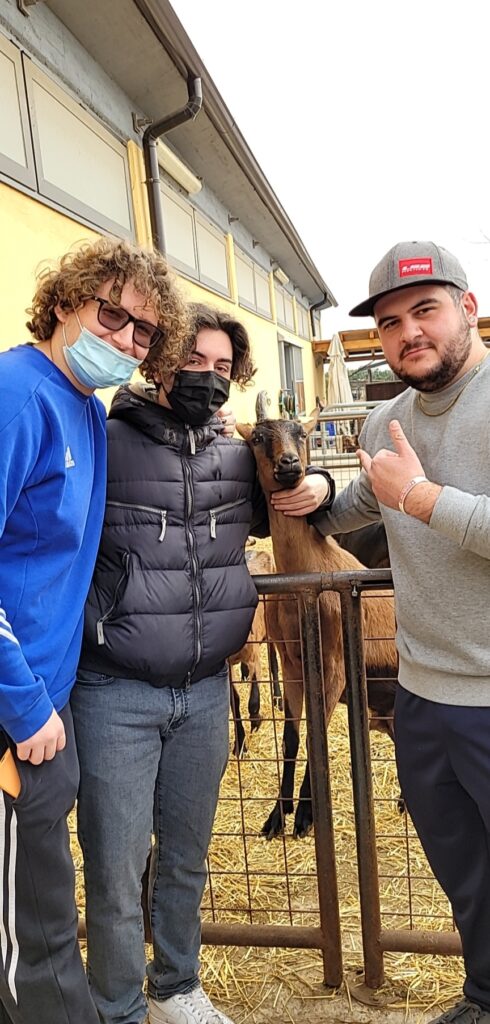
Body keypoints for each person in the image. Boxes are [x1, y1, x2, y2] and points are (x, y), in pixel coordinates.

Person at [72, 302, 333, 1024]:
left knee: (186, 856)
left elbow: (299, 502)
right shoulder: (102, 438)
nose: (209, 380)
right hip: (114, 691)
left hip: (206, 692)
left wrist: (325, 489)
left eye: (223, 368)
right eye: (194, 362)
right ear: (159, 359)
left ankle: (178, 987)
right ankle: (118, 1005)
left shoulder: (233, 454)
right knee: (118, 867)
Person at [274, 240, 490, 1024]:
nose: (409, 333)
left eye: (425, 310)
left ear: (468, 308)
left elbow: (409, 495)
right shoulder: (388, 417)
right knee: (464, 873)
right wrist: (319, 486)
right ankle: (482, 997)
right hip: (421, 698)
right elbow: (358, 503)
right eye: (392, 322)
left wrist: (426, 499)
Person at [0, 236, 188, 1024]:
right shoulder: (17, 393)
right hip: (18, 715)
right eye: (111, 314)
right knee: (35, 942)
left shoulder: (83, 405)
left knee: (36, 912)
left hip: (52, 698)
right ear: (63, 304)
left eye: (143, 332)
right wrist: (21, 703)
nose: (124, 339)